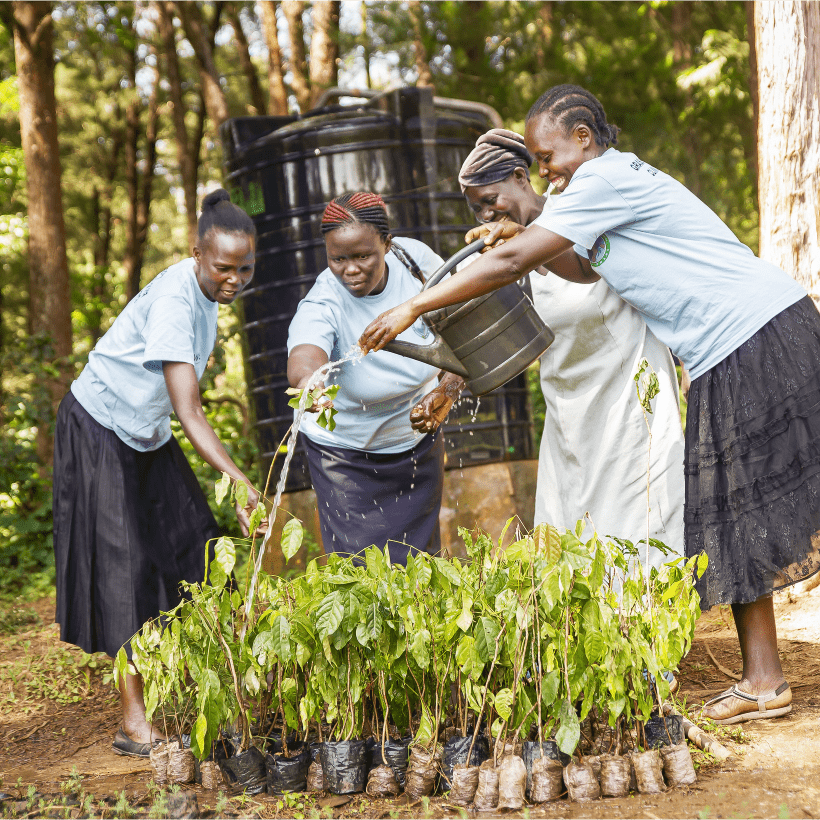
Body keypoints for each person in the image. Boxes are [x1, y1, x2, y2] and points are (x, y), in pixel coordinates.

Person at [360, 85, 820, 725]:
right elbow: (582, 268)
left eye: (548, 157)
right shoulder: (596, 192)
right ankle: (764, 681)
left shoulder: (602, 178)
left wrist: (414, 304)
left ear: (583, 136)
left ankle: (764, 680)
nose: (546, 171)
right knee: (735, 511)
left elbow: (519, 260)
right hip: (735, 343)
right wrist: (521, 231)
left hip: (751, 333)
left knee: (751, 505)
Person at [53, 189, 265, 757]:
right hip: (98, 426)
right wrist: (240, 480)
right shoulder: (176, 298)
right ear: (197, 253)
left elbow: (187, 389)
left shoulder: (206, 297)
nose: (235, 278)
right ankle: (133, 721)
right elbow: (189, 408)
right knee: (127, 568)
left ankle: (201, 687)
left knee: (191, 539)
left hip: (144, 431)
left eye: (245, 267)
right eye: (224, 267)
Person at [458, 129, 684, 567]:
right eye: (477, 208)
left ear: (522, 177)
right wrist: (446, 387)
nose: (487, 213)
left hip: (629, 394)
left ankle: (646, 627)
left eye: (491, 199)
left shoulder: (579, 209)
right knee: (568, 533)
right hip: (567, 405)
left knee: (637, 521)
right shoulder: (501, 246)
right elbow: (486, 326)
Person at [287, 192, 464, 565]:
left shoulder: (415, 261)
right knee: (361, 573)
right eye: (338, 258)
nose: (350, 269)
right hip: (344, 457)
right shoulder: (325, 300)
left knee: (422, 563)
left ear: (386, 243)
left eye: (362, 256)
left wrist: (447, 390)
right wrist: (311, 384)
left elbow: (465, 325)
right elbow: (304, 355)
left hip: (415, 441)